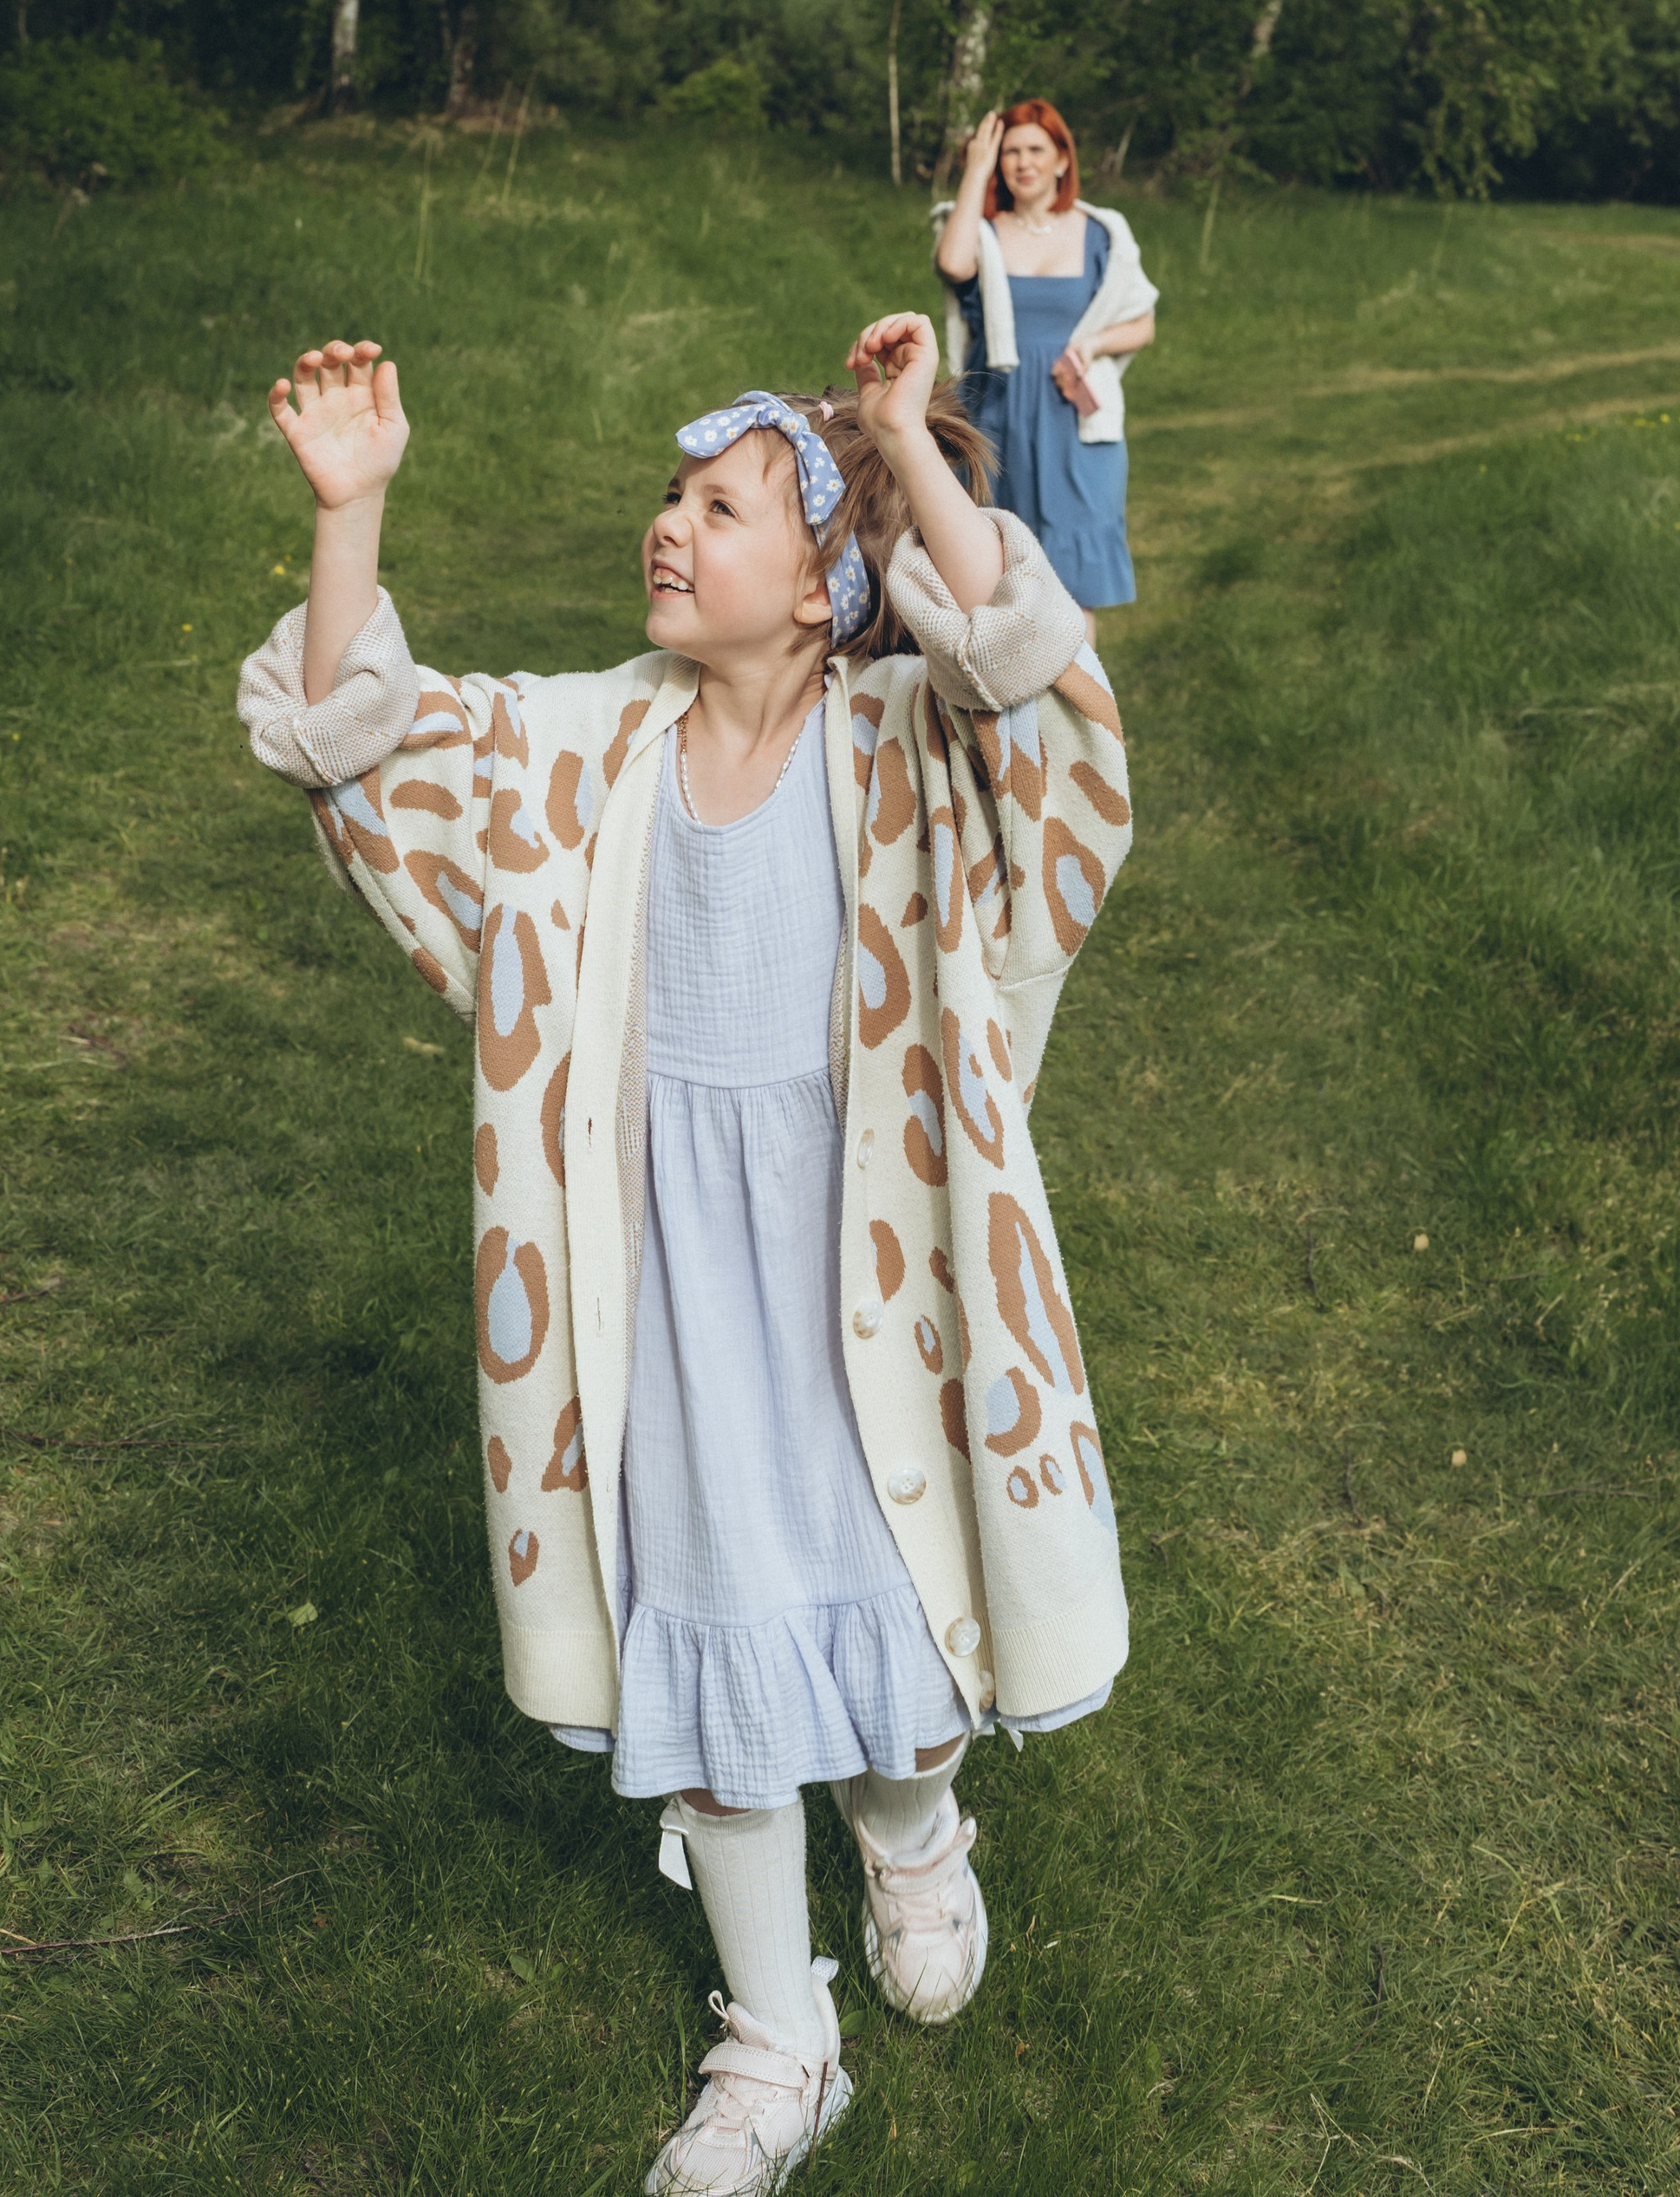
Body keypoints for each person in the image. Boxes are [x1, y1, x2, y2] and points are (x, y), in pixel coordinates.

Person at [237, 319, 1133, 2194]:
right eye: (669, 499)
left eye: (719, 509)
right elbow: (364, 750)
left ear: (826, 590)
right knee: (713, 1618)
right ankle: (777, 2043)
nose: (670, 529)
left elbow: (1035, 688)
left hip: (859, 1275)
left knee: (884, 1587)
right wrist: (353, 514)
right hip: (664, 1287)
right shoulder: (586, 750)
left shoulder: (903, 745)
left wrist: (902, 432)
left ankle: (909, 1832)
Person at [931, 101, 1158, 634]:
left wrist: (1095, 344)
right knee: (988, 569)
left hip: (1073, 420)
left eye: (1036, 149)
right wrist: (976, 170)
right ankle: (1001, 704)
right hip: (994, 414)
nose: (1023, 162)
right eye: (1010, 152)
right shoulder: (981, 229)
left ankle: (1079, 710)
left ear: (1062, 159)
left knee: (1073, 574)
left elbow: (1142, 322)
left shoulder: (1103, 232)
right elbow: (952, 263)